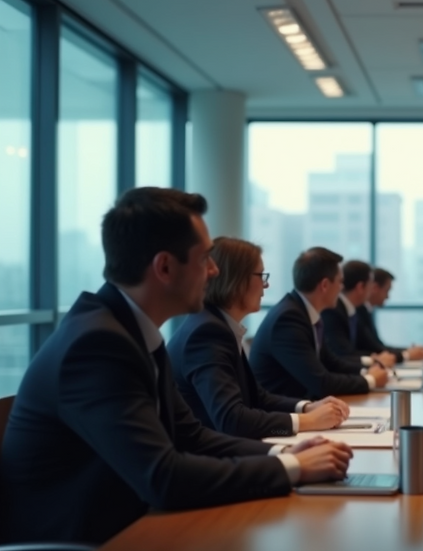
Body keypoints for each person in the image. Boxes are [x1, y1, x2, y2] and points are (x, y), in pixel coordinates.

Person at [0, 188, 352, 545]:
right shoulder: (96, 345)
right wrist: (291, 468)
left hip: (126, 522)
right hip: (84, 539)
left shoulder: (129, 331)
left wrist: (285, 453)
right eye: (204, 259)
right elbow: (163, 477)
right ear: (165, 267)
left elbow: (191, 435)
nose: (214, 271)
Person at [169, 237, 351, 439]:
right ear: (237, 279)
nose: (266, 284)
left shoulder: (217, 324)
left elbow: (257, 397)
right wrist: (308, 422)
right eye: (261, 275)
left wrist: (307, 407)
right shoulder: (207, 333)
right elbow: (231, 420)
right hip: (208, 459)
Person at [249, 247, 388, 399]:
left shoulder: (305, 312)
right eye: (340, 282)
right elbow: (321, 382)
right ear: (325, 285)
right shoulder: (288, 319)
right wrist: (370, 380)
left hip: (304, 406)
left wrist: (366, 371)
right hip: (283, 413)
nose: (342, 289)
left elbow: (331, 363)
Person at [319, 260, 397, 368]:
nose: (341, 287)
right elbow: (341, 353)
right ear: (360, 287)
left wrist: (373, 359)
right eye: (339, 282)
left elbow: (365, 346)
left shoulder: (352, 310)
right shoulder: (333, 311)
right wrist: (373, 361)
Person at [360, 267, 423, 362]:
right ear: (375, 288)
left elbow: (378, 345)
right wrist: (406, 354)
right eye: (387, 290)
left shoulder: (366, 311)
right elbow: (374, 348)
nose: (388, 297)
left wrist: (408, 351)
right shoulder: (359, 312)